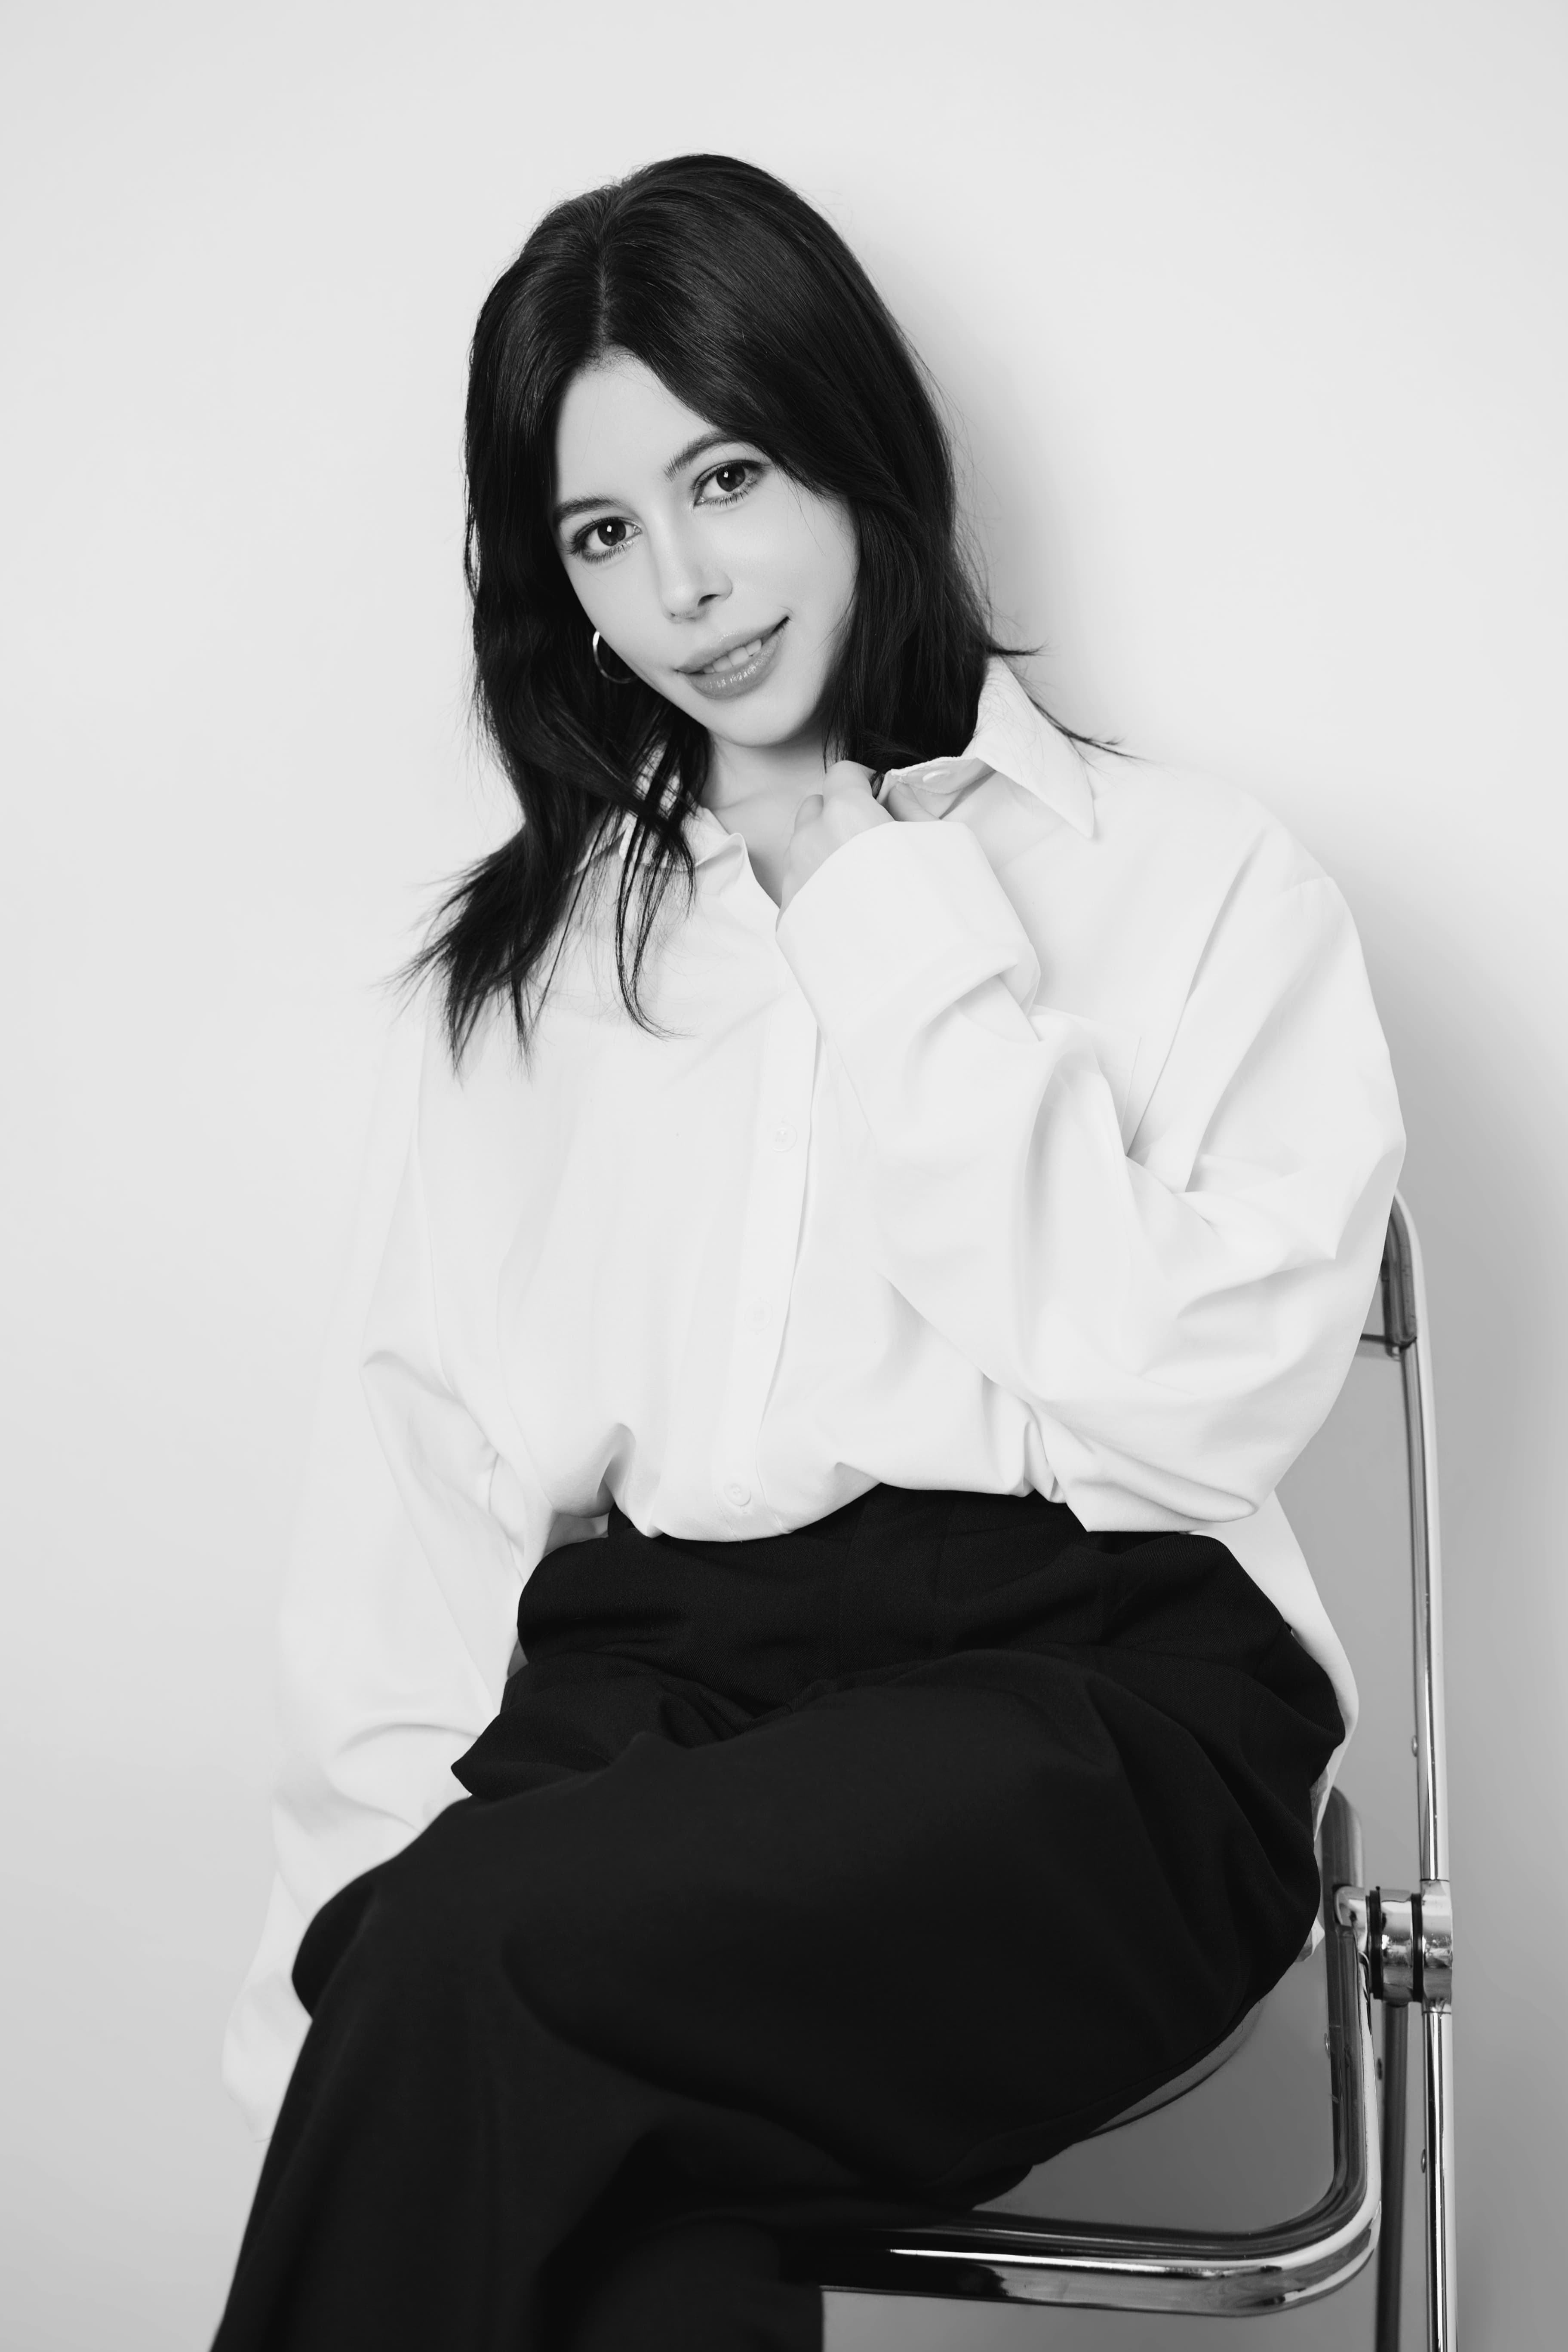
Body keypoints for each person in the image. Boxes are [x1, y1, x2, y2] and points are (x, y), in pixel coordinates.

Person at [212, 154, 1404, 2351]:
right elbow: (419, 1484)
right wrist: (337, 1968)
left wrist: (871, 906)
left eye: (725, 478)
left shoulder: (1200, 881)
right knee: (556, 2145)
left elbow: (1197, 1402)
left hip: (1088, 1699)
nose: (683, 586)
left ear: (849, 444)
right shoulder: (537, 973)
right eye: (600, 533)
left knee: (486, 1971)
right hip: (644, 1705)